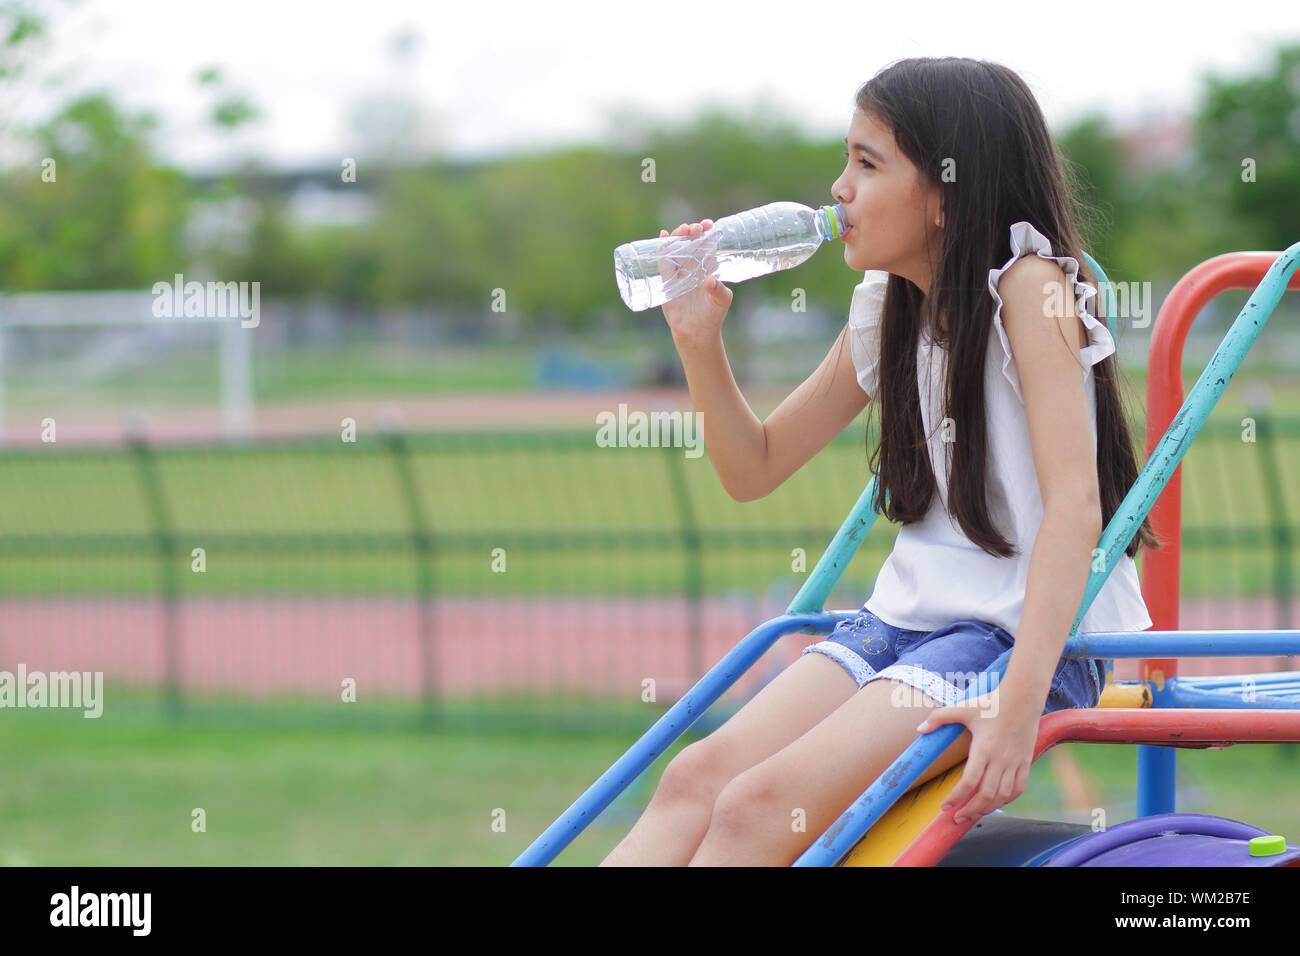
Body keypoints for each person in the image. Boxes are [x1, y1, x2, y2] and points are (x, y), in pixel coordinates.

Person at [599, 56, 1161, 867]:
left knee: (760, 809)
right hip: (907, 621)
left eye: (868, 164)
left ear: (945, 194)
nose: (839, 188)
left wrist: (1016, 701)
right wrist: (697, 337)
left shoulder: (1030, 287)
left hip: (1017, 638)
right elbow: (752, 468)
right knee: (696, 778)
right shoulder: (888, 304)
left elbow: (1075, 506)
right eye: (846, 161)